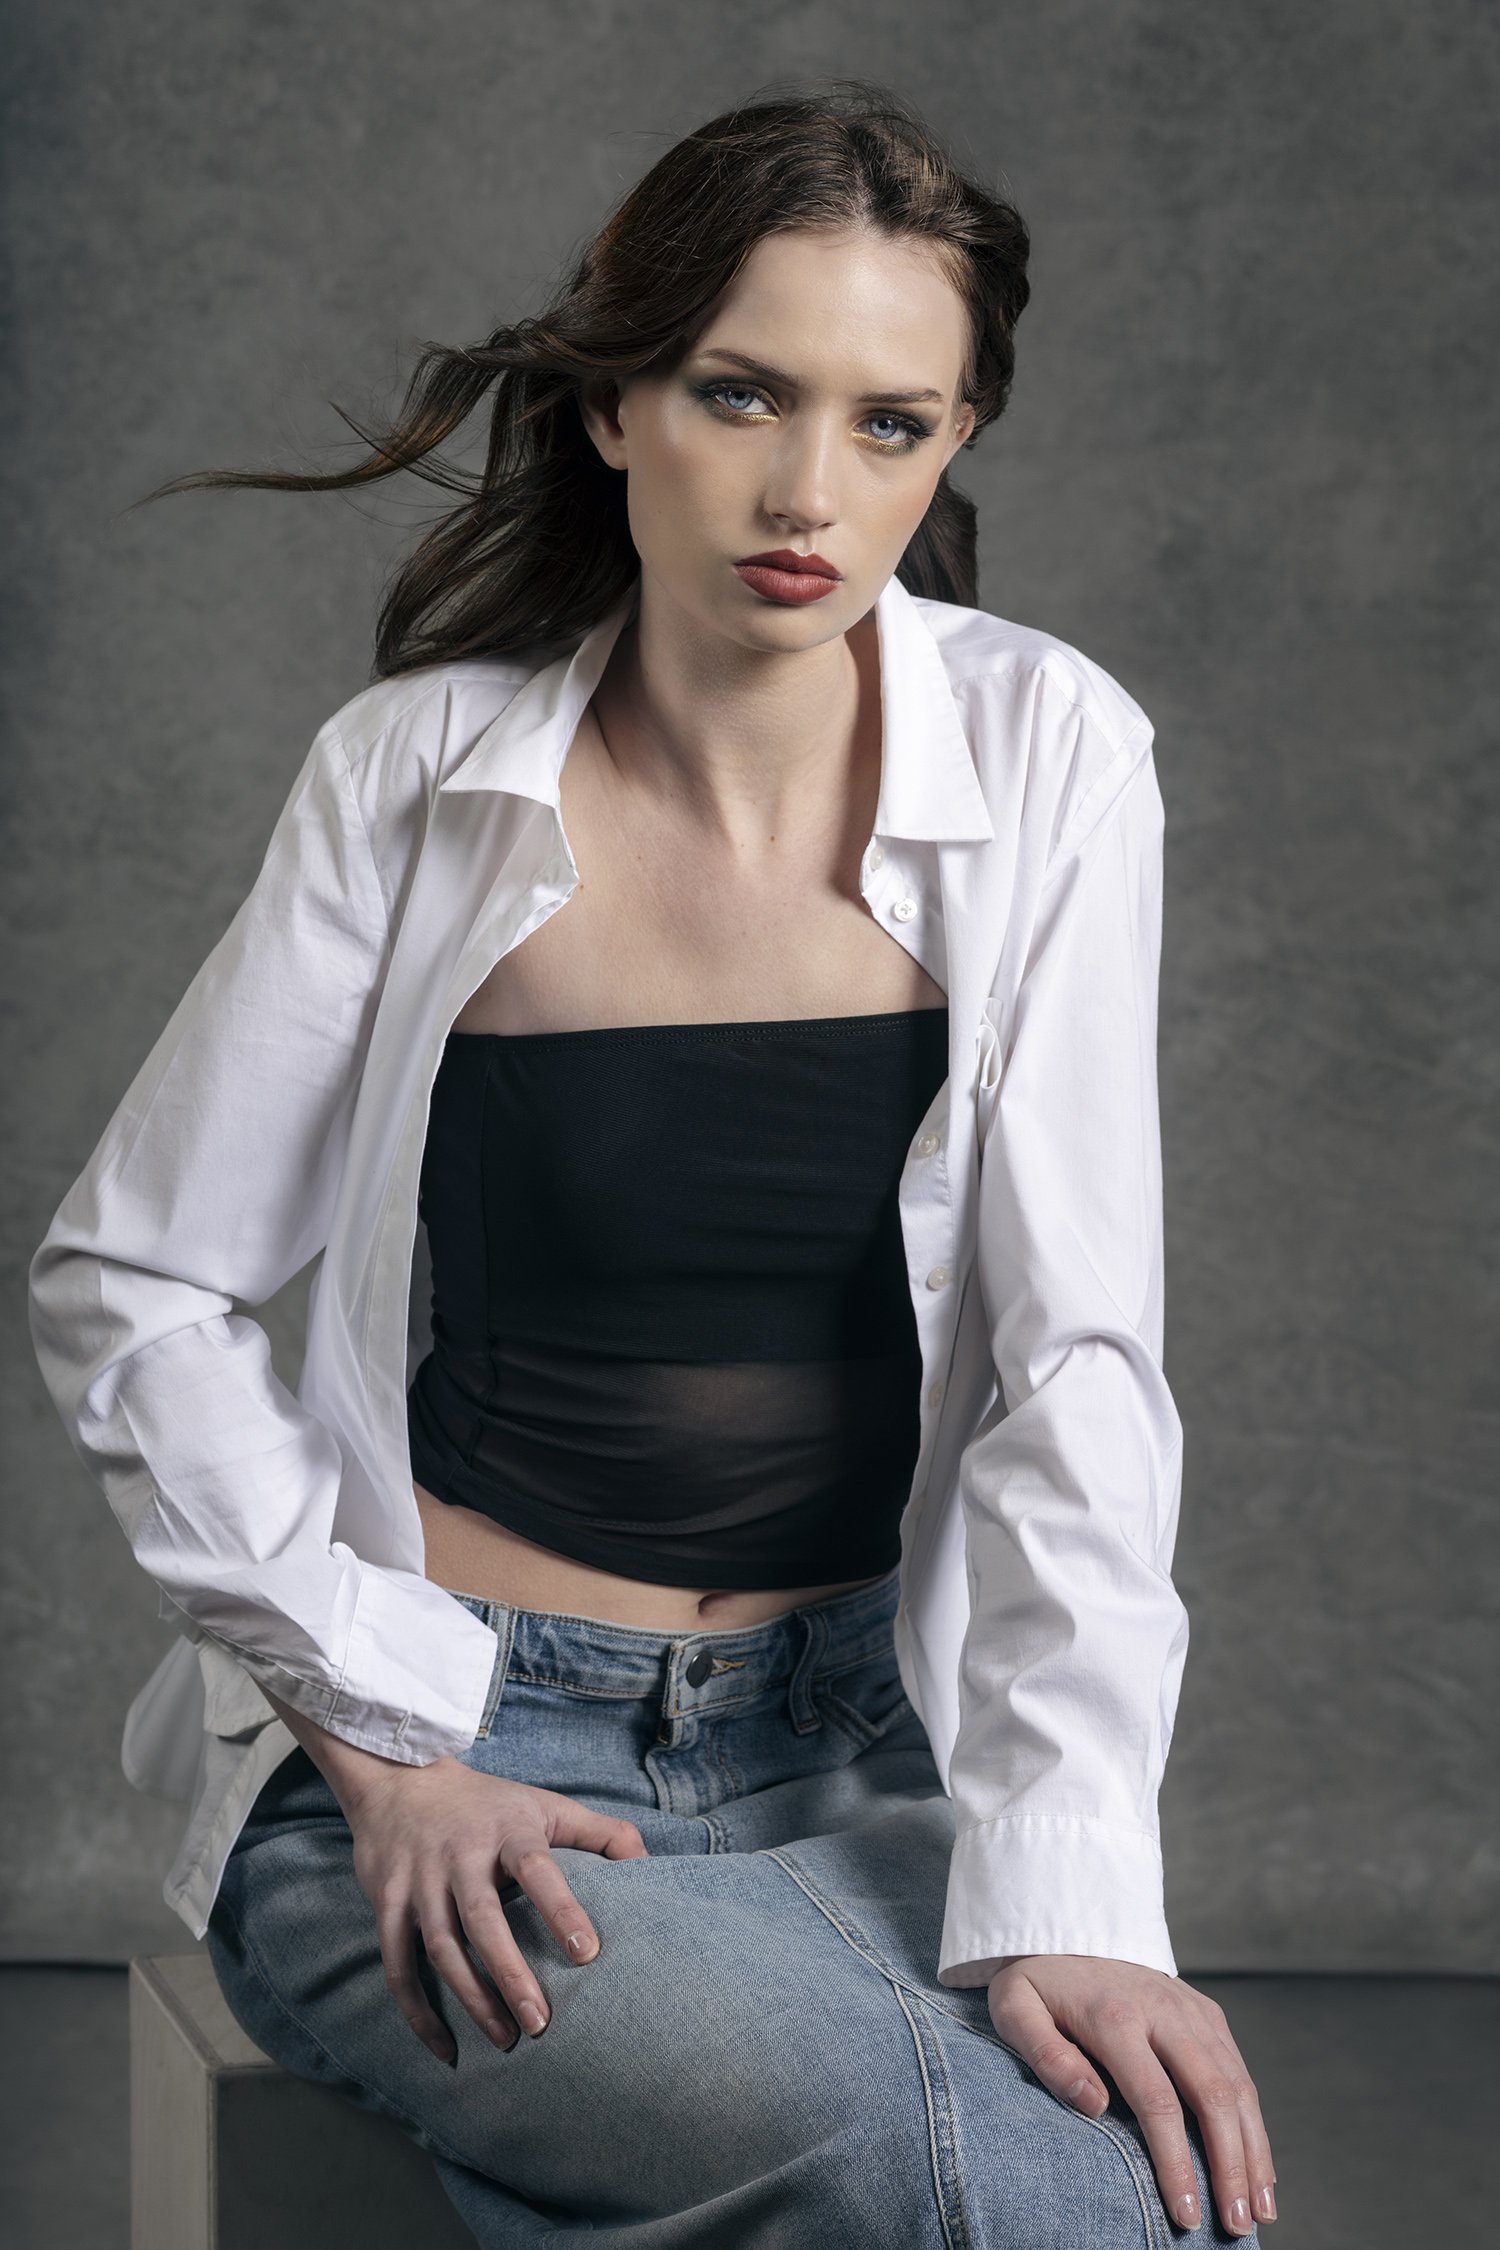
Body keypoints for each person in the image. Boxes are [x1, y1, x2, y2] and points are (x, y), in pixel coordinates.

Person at [28, 80, 1276, 2248]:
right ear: (616, 409)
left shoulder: (1055, 752)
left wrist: (1077, 1879)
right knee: (944, 2172)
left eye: (893, 421)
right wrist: (384, 1737)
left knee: (1140, 2198)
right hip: (453, 1758)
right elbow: (131, 1281)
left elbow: (1082, 1358)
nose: (809, 488)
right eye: (740, 394)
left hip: (863, 1738)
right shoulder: (411, 779)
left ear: (960, 436)